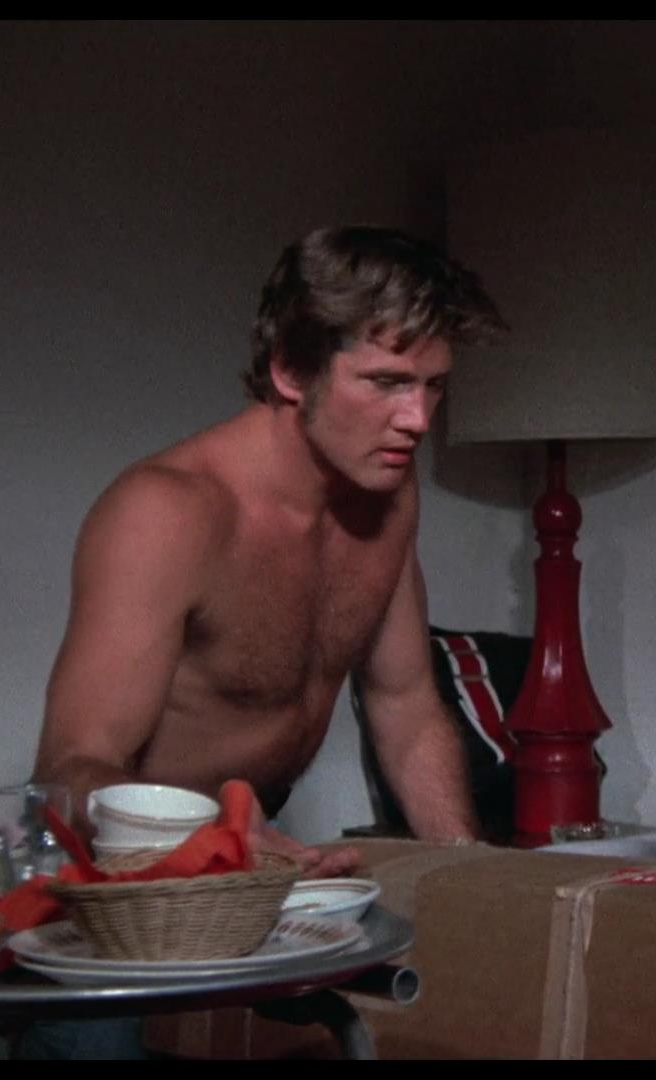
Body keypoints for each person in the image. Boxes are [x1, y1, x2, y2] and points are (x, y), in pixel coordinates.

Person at [31, 225, 504, 882]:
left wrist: (473, 877)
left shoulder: (385, 489)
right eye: (386, 382)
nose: (418, 419)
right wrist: (210, 837)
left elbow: (406, 709)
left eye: (434, 386)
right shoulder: (169, 512)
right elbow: (68, 770)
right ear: (290, 370)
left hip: (263, 864)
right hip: (138, 874)